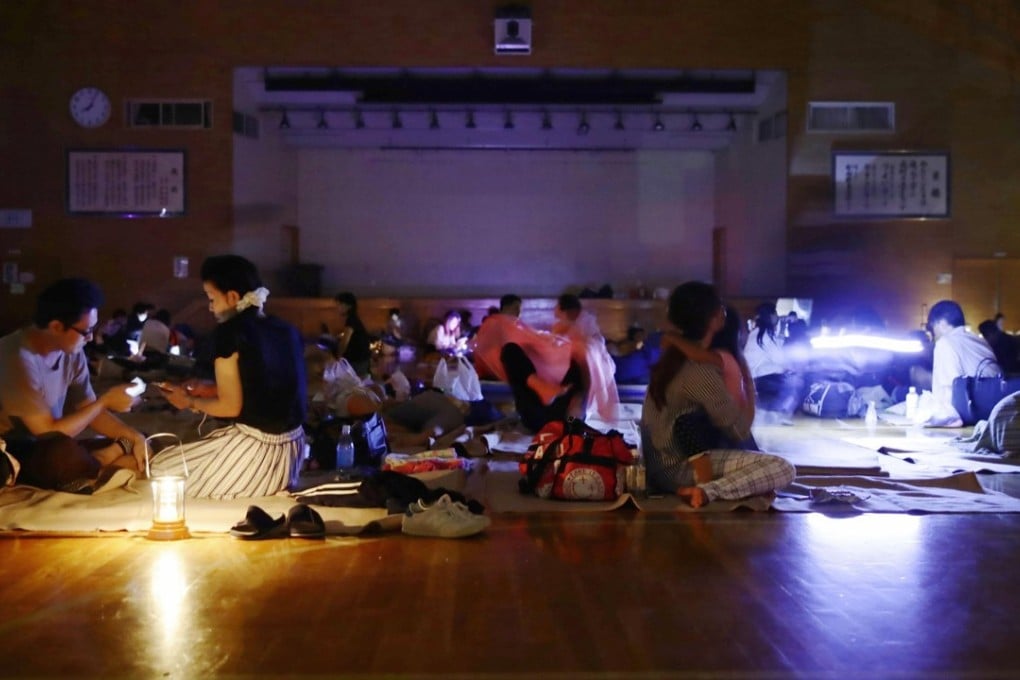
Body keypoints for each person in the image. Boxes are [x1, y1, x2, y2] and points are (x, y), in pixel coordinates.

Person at [151, 255, 307, 499]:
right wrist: (210, 389)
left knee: (162, 470)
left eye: (212, 299)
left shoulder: (230, 333)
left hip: (258, 451)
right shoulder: (284, 329)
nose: (210, 307)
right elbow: (265, 386)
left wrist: (189, 402)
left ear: (233, 297)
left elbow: (230, 407)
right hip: (294, 451)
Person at [641, 282, 795, 508]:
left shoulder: (674, 359)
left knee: (756, 466)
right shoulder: (699, 369)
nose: (725, 311)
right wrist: (749, 384)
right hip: (678, 470)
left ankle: (716, 488)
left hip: (660, 466)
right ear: (714, 319)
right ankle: (707, 491)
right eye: (721, 306)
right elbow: (738, 429)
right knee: (782, 468)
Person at [0, 278, 146, 492]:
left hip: (49, 444)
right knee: (62, 454)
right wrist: (105, 401)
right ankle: (104, 463)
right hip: (15, 452)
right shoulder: (15, 357)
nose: (90, 338)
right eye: (86, 331)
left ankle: (102, 462)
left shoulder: (71, 352)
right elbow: (48, 432)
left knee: (143, 440)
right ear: (56, 326)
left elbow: (89, 410)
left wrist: (134, 436)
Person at [925, 300, 1000, 428]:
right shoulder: (979, 341)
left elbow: (949, 388)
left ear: (941, 323)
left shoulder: (945, 343)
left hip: (970, 415)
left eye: (933, 327)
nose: (934, 333)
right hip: (996, 411)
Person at [743, 302, 805, 422]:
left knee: (788, 375)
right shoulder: (764, 335)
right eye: (775, 313)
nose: (777, 316)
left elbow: (776, 351)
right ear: (770, 316)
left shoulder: (758, 333)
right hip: (760, 380)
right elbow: (780, 359)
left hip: (754, 378)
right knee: (796, 381)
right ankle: (781, 413)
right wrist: (795, 369)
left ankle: (773, 412)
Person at [332, 291, 372, 378]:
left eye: (339, 305)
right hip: (362, 360)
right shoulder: (354, 319)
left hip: (358, 362)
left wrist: (338, 356)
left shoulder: (351, 320)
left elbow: (345, 341)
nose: (337, 308)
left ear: (348, 306)